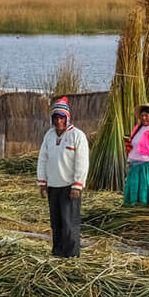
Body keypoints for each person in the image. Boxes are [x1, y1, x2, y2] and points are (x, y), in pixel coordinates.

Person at [35, 97, 89, 258]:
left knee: (69, 222)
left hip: (69, 186)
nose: (59, 121)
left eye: (62, 118)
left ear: (67, 118)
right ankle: (58, 252)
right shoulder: (49, 136)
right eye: (56, 118)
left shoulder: (77, 136)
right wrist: (42, 182)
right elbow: (43, 158)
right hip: (53, 186)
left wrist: (77, 185)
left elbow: (82, 161)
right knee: (56, 222)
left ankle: (71, 254)